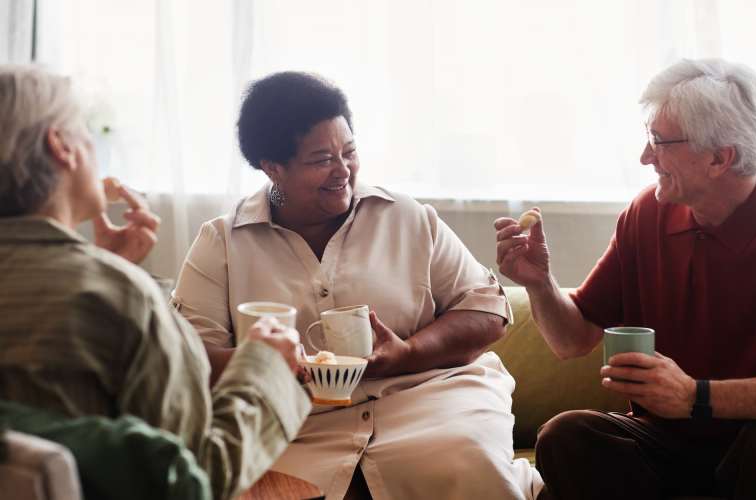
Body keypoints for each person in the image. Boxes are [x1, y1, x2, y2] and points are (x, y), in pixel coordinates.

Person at [172, 71, 544, 500]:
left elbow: (487, 312)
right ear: (272, 167)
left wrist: (407, 353)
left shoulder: (406, 218)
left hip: (429, 399)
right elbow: (190, 358)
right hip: (296, 422)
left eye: (349, 152)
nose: (342, 171)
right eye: (320, 160)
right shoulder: (222, 242)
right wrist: (270, 363)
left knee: (466, 461)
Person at [0, 64, 311, 500]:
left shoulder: (107, 288)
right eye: (85, 133)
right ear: (61, 146)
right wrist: (268, 368)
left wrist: (105, 266)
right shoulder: (122, 300)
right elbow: (197, 474)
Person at [495, 58, 756, 500]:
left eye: (659, 142)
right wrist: (539, 282)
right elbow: (572, 340)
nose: (645, 157)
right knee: (566, 435)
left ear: (720, 157)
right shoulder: (647, 214)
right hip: (666, 443)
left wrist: (697, 396)